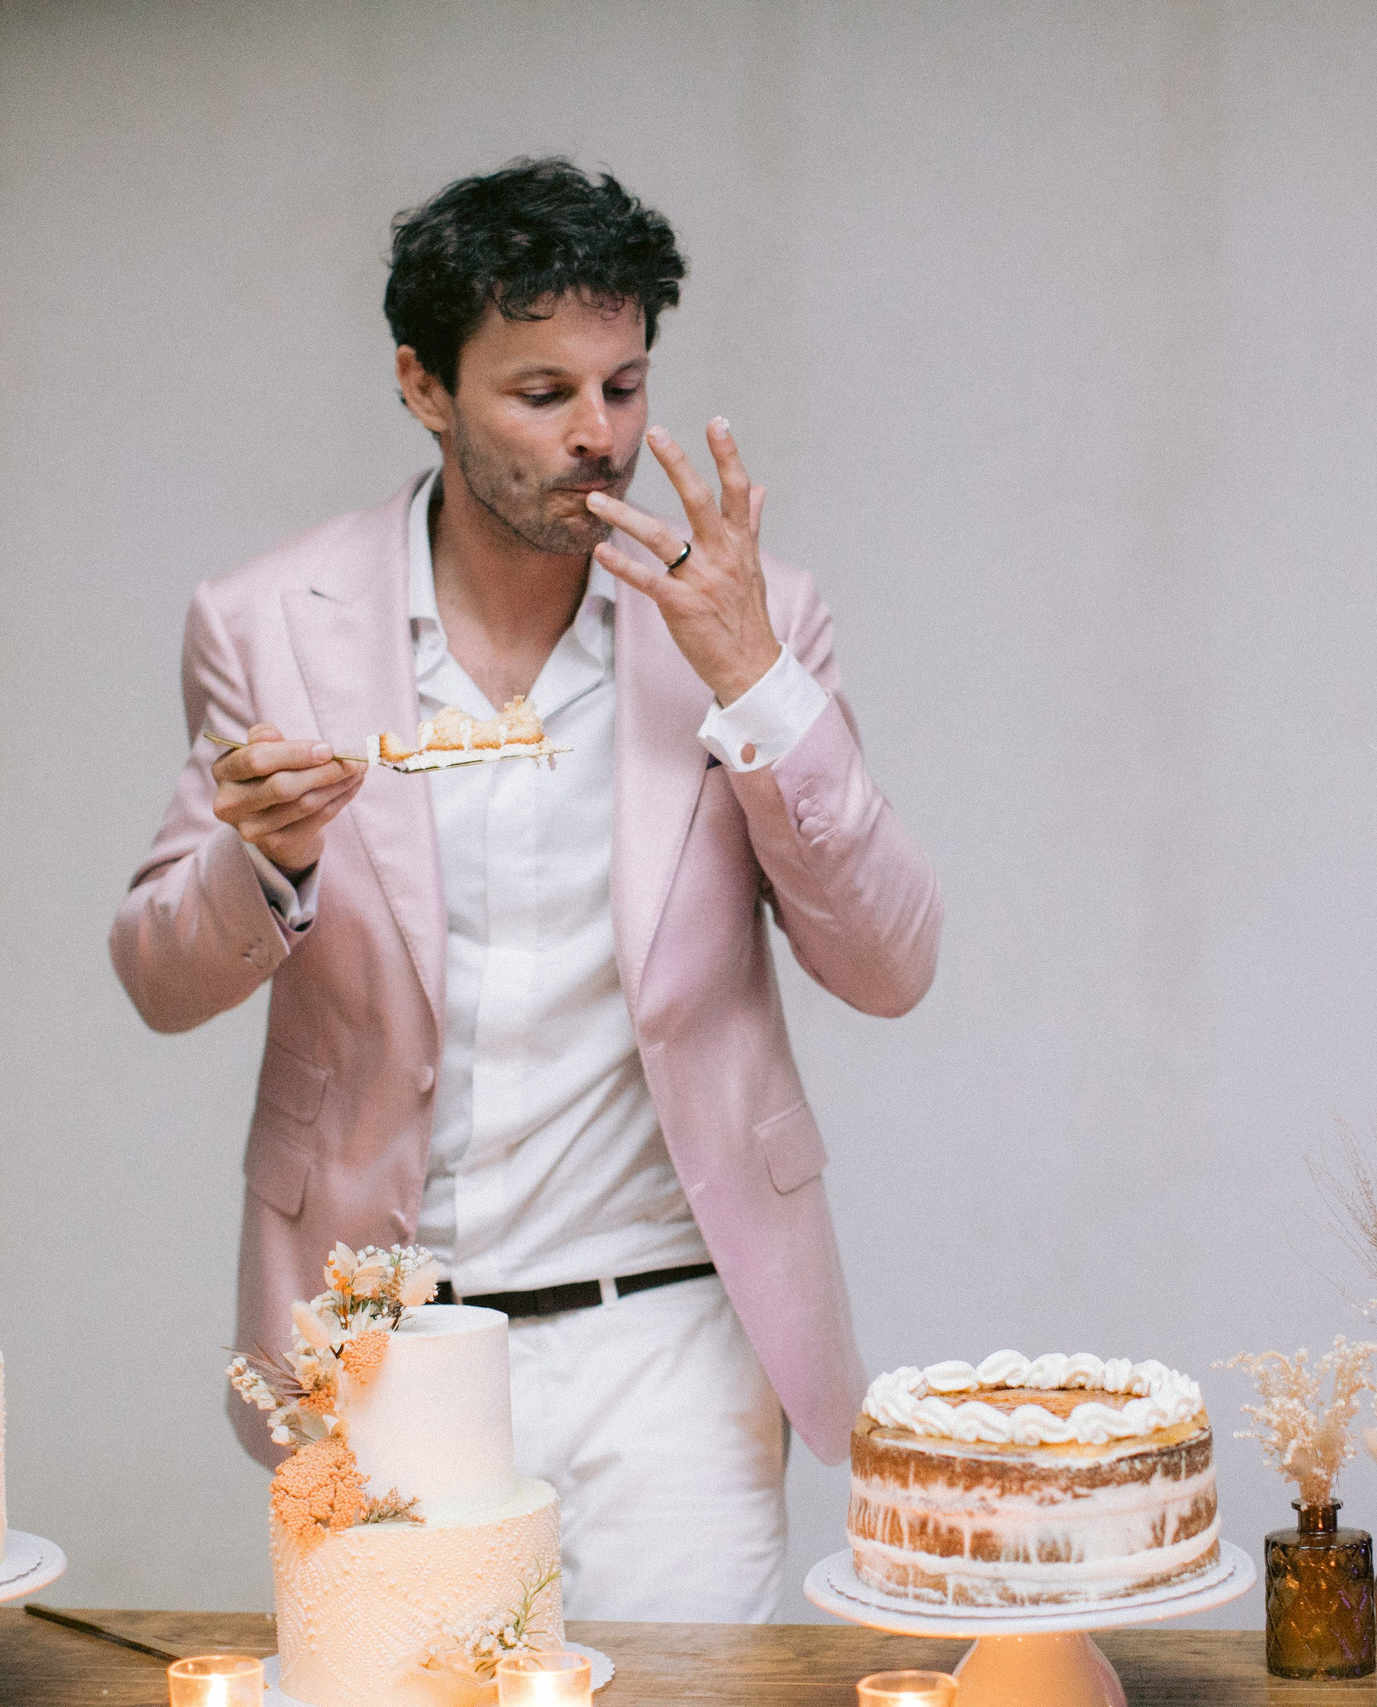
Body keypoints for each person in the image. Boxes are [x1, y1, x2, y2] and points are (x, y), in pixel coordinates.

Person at [110, 157, 941, 1620]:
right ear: (424, 387)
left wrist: (752, 678)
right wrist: (269, 863)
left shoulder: (750, 616)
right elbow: (157, 976)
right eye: (542, 393)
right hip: (384, 1341)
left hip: (673, 1335)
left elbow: (890, 962)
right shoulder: (263, 624)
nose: (599, 438)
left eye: (625, 387)